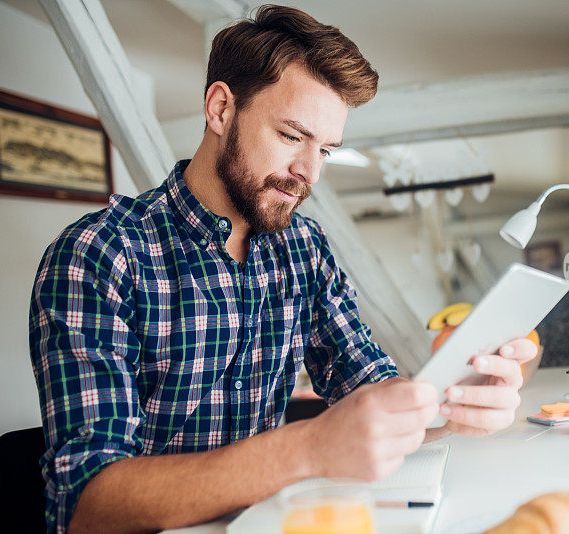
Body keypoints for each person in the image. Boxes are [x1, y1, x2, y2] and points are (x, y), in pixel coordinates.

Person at [28, 5, 538, 533]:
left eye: (327, 150)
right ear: (221, 109)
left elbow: (368, 386)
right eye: (293, 137)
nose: (308, 173)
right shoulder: (100, 254)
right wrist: (307, 447)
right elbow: (87, 504)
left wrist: (451, 406)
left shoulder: (304, 248)